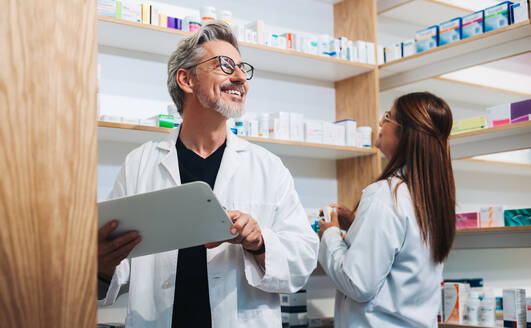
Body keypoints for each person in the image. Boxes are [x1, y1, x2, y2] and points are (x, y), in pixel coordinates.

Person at [97, 22, 319, 328]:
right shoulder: (140, 164)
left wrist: (260, 242)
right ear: (186, 79)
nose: (241, 78)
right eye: (226, 66)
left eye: (243, 68)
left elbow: (303, 258)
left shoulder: (268, 167)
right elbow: (115, 265)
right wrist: (101, 263)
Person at [318, 92, 456, 327]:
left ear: (406, 134)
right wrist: (357, 225)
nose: (381, 124)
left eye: (388, 117)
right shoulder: (432, 196)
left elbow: (357, 283)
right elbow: (404, 255)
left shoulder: (386, 194)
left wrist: (329, 234)